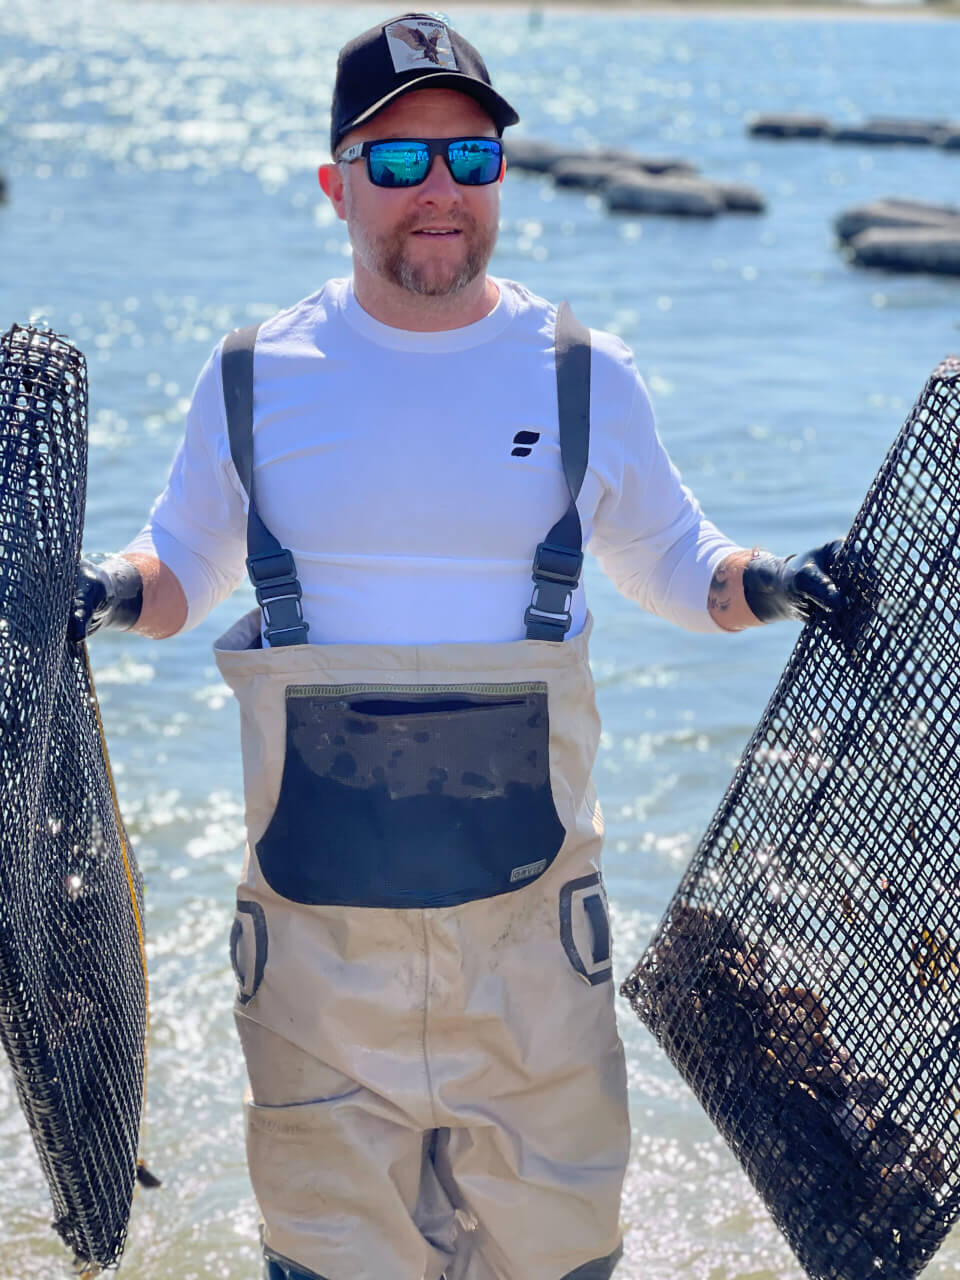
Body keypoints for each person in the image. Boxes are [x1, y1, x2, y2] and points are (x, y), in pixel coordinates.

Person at [71, 13, 844, 1280]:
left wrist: (772, 581)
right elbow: (184, 568)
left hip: (534, 952)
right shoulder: (255, 374)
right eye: (397, 162)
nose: (438, 193)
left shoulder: (583, 370)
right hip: (317, 968)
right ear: (335, 184)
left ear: (502, 177)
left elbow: (672, 557)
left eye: (471, 159)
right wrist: (97, 591)